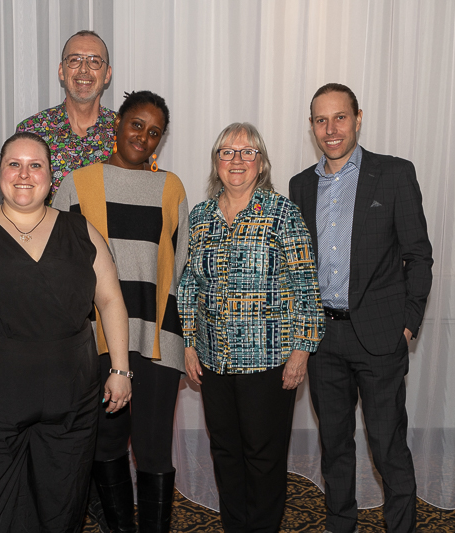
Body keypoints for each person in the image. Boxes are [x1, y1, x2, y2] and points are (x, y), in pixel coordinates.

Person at [0, 131, 132, 533]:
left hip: (71, 398)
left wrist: (120, 370)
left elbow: (111, 302)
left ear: (51, 177)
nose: (24, 174)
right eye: (13, 164)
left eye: (35, 165)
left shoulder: (81, 231)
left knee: (60, 503)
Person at [289, 83, 433, 533]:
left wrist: (408, 324)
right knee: (334, 447)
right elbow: (298, 266)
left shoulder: (393, 174)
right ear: (312, 126)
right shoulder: (300, 185)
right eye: (321, 120)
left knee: (388, 447)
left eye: (340, 117)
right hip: (323, 340)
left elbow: (418, 255)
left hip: (380, 337)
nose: (331, 129)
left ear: (358, 118)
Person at [178, 122, 326, 533]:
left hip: (269, 362)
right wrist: (188, 343)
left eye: (247, 152)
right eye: (227, 152)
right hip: (213, 360)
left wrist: (302, 351)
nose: (237, 160)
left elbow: (306, 286)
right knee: (226, 453)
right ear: (216, 163)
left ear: (261, 163)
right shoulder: (201, 217)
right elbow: (189, 283)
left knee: (263, 458)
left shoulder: (282, 213)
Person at [52, 90, 188, 533]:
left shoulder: (171, 188)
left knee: (153, 449)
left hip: (156, 339)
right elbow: (58, 264)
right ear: (117, 125)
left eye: (154, 132)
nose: (143, 137)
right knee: (105, 445)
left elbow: (180, 268)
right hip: (95, 339)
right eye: (136, 125)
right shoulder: (78, 183)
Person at [16, 30, 115, 201]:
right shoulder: (31, 131)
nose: (83, 69)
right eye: (75, 60)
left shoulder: (126, 133)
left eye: (94, 61)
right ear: (61, 71)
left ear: (107, 74)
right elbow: (18, 199)